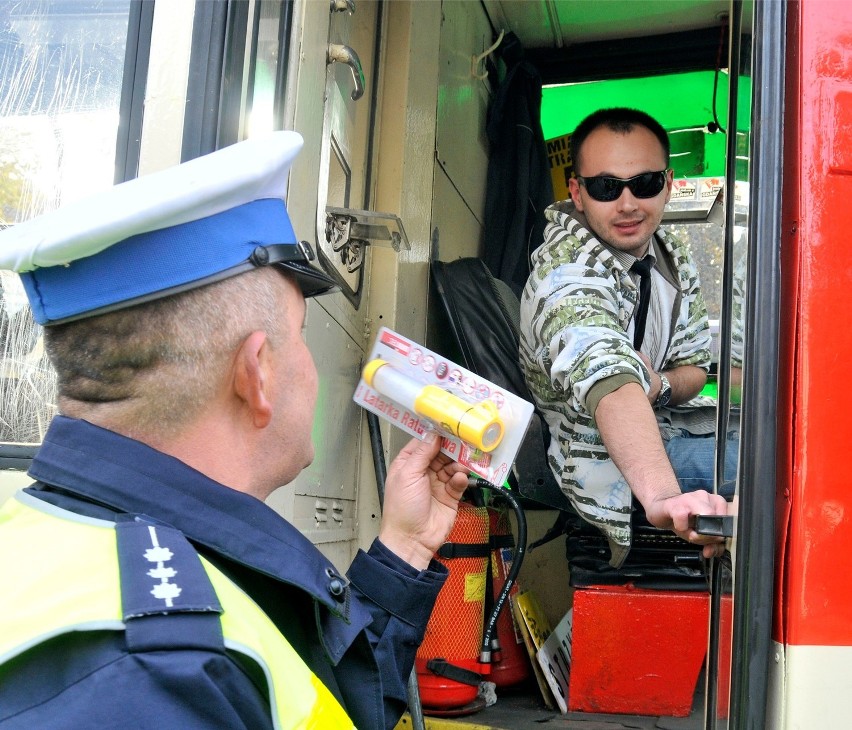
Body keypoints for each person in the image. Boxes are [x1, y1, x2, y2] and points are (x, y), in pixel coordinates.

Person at [0, 132, 470, 729]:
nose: (310, 362)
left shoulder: (52, 540)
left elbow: (308, 697)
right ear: (258, 374)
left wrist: (405, 548)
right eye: (298, 334)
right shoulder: (156, 677)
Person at [518, 107, 729, 568]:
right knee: (787, 469)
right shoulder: (567, 272)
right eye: (607, 187)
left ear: (669, 183)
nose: (629, 203)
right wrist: (661, 499)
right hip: (600, 461)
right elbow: (608, 380)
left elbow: (695, 366)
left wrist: (661, 386)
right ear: (577, 192)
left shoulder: (670, 257)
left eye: (646, 183)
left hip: (666, 426)